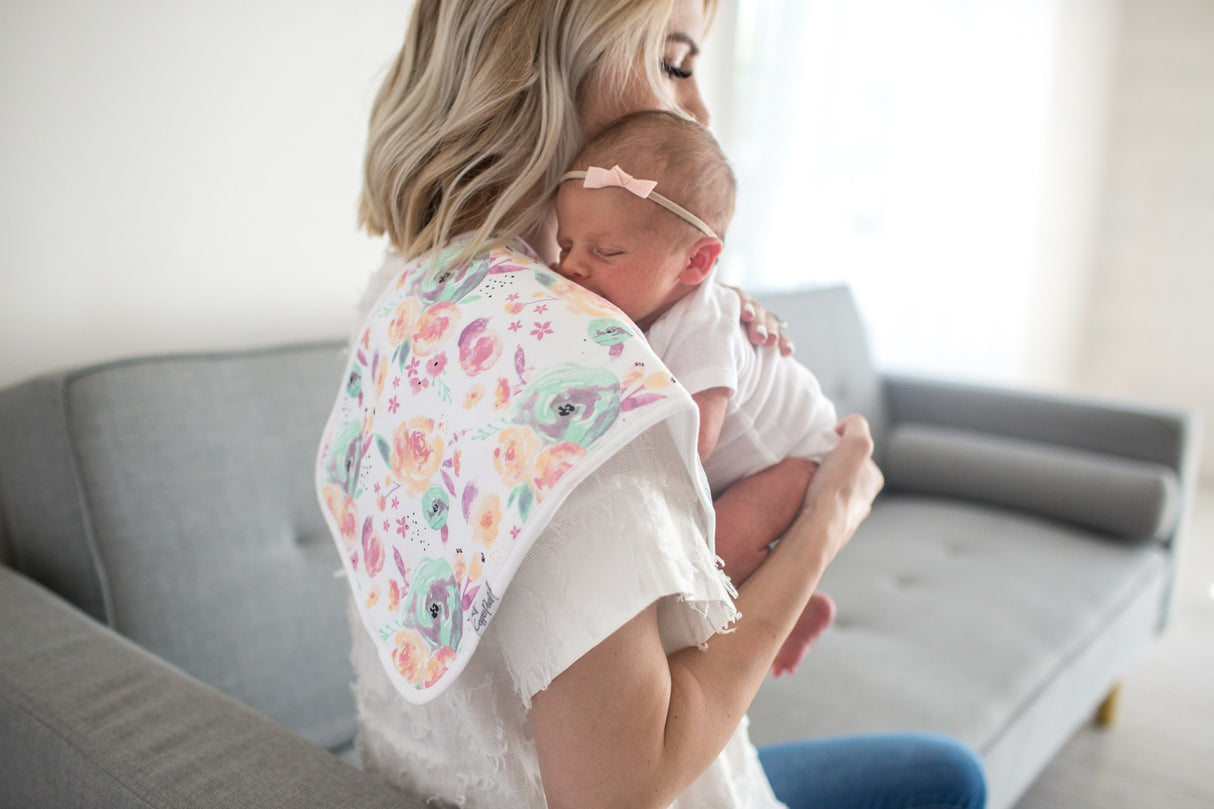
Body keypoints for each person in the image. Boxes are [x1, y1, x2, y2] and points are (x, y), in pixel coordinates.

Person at [315, 2, 988, 808]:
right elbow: (621, 790)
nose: (702, 108)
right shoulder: (586, 379)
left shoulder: (408, 287)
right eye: (676, 62)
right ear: (546, 66)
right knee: (950, 779)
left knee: (943, 772)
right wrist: (826, 521)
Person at [553, 109, 840, 677]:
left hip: (800, 453)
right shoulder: (630, 306)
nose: (573, 267)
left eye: (605, 252)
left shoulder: (702, 322)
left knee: (721, 545)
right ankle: (797, 609)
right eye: (566, 244)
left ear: (697, 263)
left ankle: (778, 615)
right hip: (758, 457)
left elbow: (695, 440)